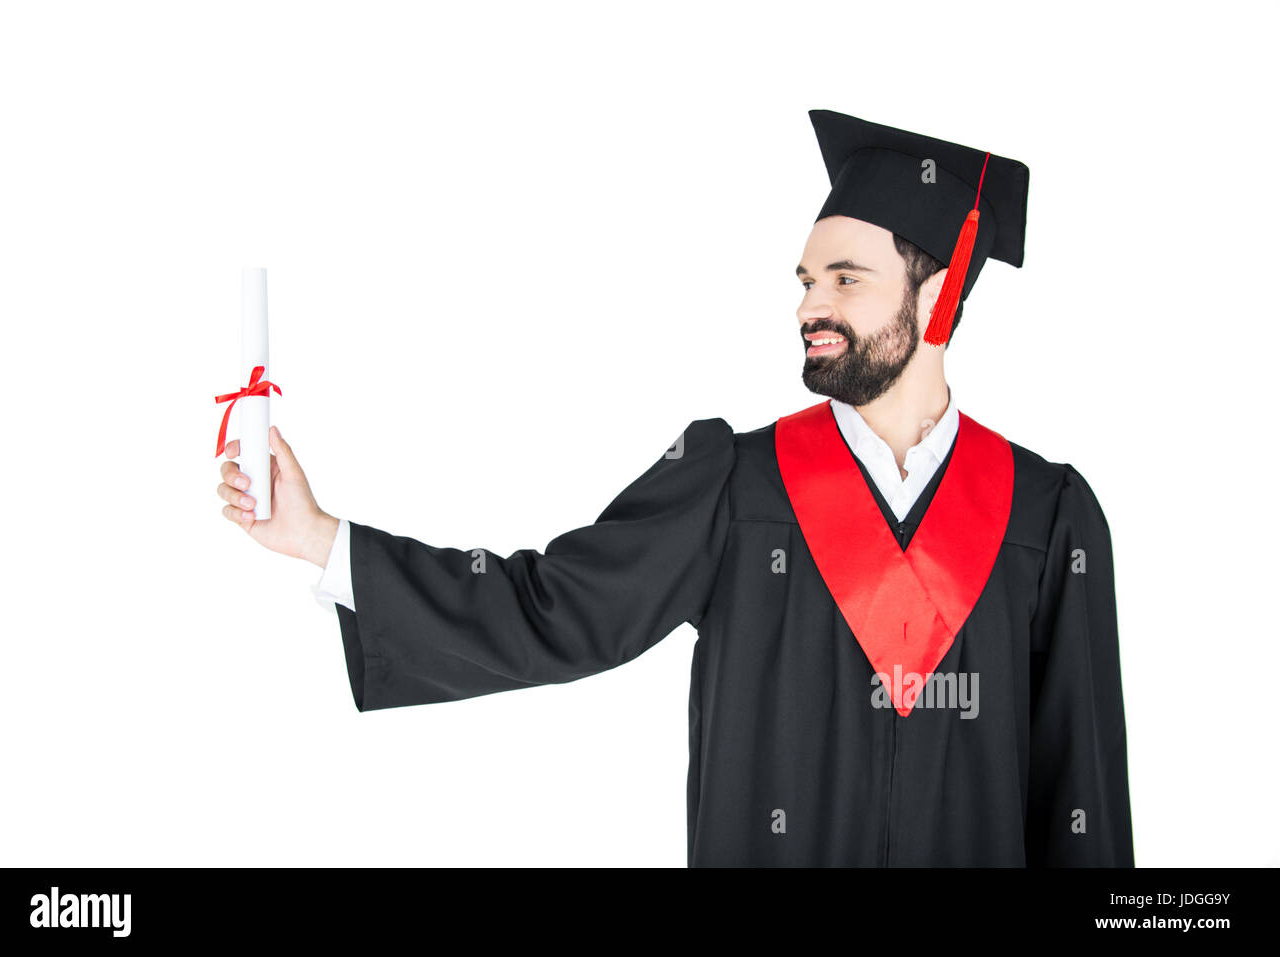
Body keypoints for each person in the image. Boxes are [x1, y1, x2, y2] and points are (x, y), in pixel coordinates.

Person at [215, 109, 1134, 867]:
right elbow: (552, 609)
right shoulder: (734, 485)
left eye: (846, 280)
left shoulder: (1047, 517)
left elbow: (1081, 798)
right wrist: (323, 539)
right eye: (807, 280)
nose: (809, 306)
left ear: (937, 299)